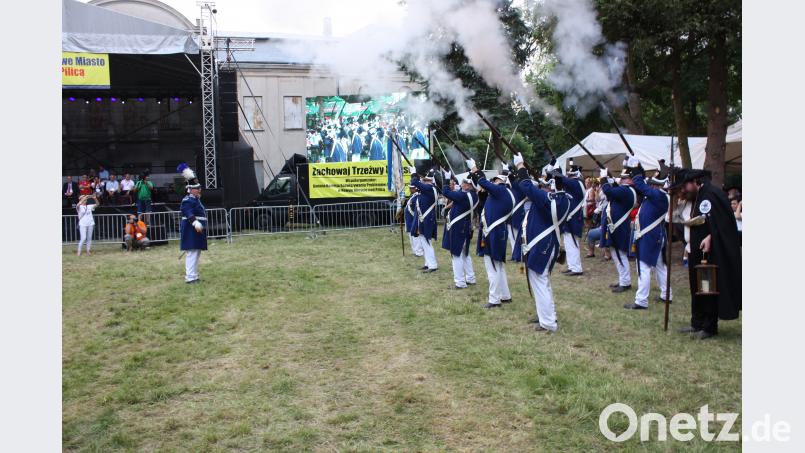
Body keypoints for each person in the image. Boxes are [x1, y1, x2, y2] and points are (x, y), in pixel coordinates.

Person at [673, 169, 742, 339]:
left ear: (694, 181)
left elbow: (725, 224)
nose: (684, 190)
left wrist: (711, 237)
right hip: (695, 251)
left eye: (685, 186)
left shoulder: (712, 194)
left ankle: (709, 327)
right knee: (696, 288)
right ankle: (696, 322)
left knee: (708, 289)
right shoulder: (696, 196)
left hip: (711, 253)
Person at [513, 155, 570, 331]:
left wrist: (521, 165)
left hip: (542, 247)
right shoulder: (561, 199)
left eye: (546, 183)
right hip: (544, 245)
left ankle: (548, 323)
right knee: (541, 283)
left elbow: (525, 185)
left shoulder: (552, 200)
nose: (543, 186)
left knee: (540, 282)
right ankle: (545, 316)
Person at [623, 167, 673, 310]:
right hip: (654, 235)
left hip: (650, 236)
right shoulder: (658, 195)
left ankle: (641, 301)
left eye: (653, 184)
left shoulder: (659, 195)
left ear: (658, 185)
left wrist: (637, 172)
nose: (650, 186)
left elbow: (639, 185)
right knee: (660, 267)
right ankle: (666, 295)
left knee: (643, 267)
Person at [468, 159, 515, 308]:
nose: (492, 183)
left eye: (494, 181)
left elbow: (483, 183)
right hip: (496, 232)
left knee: (492, 267)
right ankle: (505, 295)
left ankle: (494, 299)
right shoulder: (502, 193)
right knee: (498, 266)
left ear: (499, 181)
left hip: (494, 233)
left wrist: (475, 168)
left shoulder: (500, 190)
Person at [600, 157, 640, 293]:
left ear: (630, 179)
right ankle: (623, 279)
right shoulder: (625, 190)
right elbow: (612, 196)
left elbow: (608, 192)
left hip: (619, 226)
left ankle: (626, 282)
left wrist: (604, 179)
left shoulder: (626, 190)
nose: (621, 180)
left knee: (619, 254)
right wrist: (611, 182)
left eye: (624, 178)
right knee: (616, 253)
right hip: (617, 225)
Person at [441, 171, 479, 289]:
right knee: (465, 254)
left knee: (456, 255)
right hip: (465, 227)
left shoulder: (463, 196)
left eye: (463, 183)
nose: (461, 184)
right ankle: (471, 278)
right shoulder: (473, 195)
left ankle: (460, 282)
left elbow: (446, 192)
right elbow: (456, 193)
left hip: (458, 229)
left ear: (468, 185)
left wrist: (447, 180)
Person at [178, 164, 207, 283]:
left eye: (199, 188)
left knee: (196, 253)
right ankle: (190, 277)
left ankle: (194, 276)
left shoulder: (195, 199)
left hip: (196, 230)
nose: (199, 189)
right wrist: (195, 222)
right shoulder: (187, 200)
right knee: (192, 254)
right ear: (190, 189)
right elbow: (187, 212)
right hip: (191, 229)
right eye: (197, 188)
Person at [557, 161, 586, 276]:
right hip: (570, 218)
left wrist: (557, 169)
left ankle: (576, 268)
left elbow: (562, 179)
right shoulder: (575, 183)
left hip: (574, 218)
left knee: (573, 244)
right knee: (568, 243)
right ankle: (571, 266)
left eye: (571, 174)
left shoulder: (577, 183)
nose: (569, 176)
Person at [409, 169, 439, 272]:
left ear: (430, 181)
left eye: (425, 180)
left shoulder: (430, 188)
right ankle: (428, 263)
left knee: (427, 242)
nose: (423, 181)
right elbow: (416, 184)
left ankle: (432, 265)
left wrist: (413, 173)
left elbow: (414, 182)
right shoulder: (427, 189)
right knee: (424, 242)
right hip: (424, 219)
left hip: (427, 219)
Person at [404, 184, 424, 257]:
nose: (410, 189)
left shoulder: (417, 197)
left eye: (411, 188)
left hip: (413, 220)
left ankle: (419, 252)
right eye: (409, 188)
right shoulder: (413, 196)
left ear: (415, 189)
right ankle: (415, 251)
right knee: (411, 236)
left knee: (416, 237)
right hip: (409, 220)